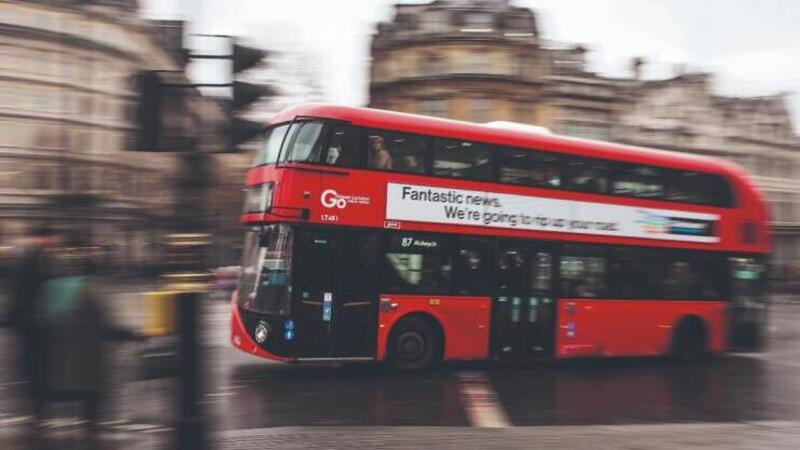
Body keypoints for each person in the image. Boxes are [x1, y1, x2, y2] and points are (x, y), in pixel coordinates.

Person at [4, 226, 60, 446]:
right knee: (35, 368)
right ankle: (38, 412)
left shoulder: (35, 260)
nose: (54, 242)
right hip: (34, 325)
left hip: (31, 325)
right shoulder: (33, 261)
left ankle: (36, 411)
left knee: (34, 368)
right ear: (42, 238)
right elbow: (25, 294)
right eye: (52, 238)